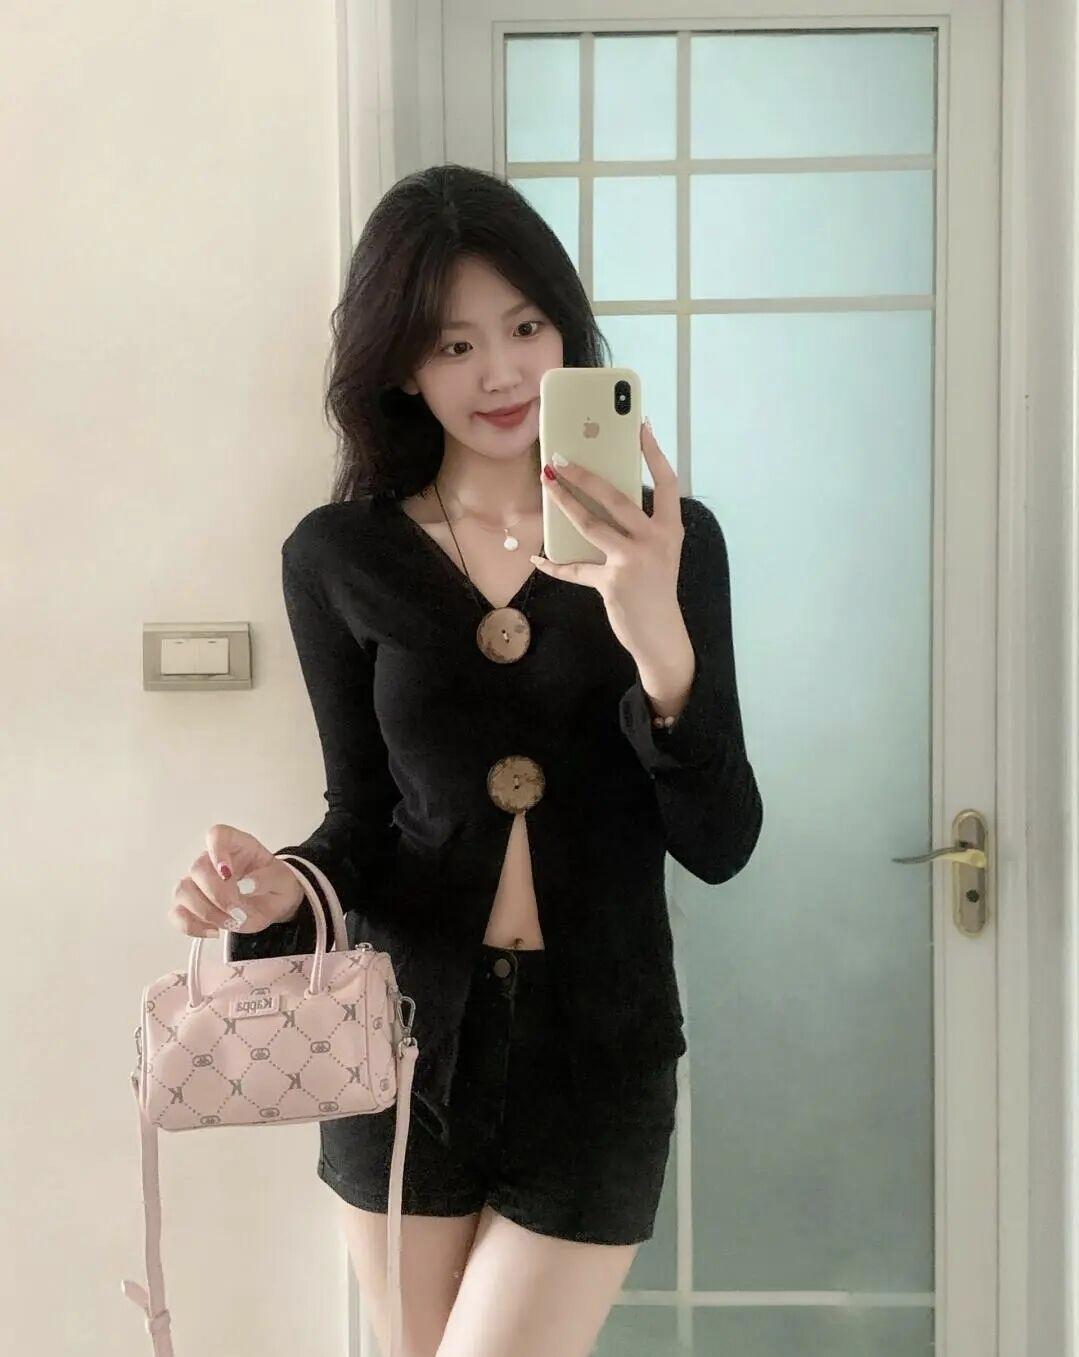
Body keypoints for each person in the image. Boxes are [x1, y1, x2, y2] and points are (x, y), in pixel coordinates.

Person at [167, 163, 763, 1357]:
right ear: (400, 364)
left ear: (567, 333)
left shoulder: (668, 543)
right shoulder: (339, 558)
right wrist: (281, 887)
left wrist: (655, 635)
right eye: (453, 343)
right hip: (399, 1048)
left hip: (595, 1052)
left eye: (526, 327)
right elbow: (363, 817)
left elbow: (719, 843)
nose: (500, 372)